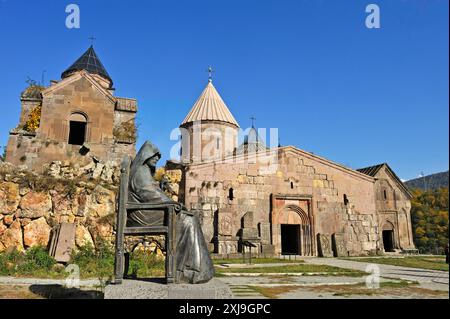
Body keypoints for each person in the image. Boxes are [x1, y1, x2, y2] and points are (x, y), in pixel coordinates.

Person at [127, 141, 214, 284]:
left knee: (191, 218)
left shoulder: (144, 172)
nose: (157, 159)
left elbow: (153, 193)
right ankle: (187, 270)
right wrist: (172, 203)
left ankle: (192, 268)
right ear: (146, 156)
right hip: (142, 215)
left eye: (158, 157)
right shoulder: (140, 173)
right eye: (154, 156)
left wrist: (170, 201)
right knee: (188, 221)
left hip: (148, 211)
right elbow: (149, 194)